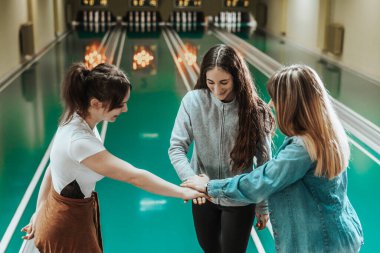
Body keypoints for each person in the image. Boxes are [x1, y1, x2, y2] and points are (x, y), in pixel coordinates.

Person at [21, 63, 204, 253]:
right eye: (120, 104)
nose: (125, 109)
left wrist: (40, 209)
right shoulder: (79, 141)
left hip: (64, 213)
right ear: (95, 103)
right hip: (66, 226)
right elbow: (135, 176)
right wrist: (182, 192)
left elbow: (53, 166)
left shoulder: (77, 116)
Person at [182, 64, 364, 252]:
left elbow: (261, 181)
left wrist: (209, 186)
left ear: (291, 104)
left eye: (276, 99)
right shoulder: (326, 132)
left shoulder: (303, 148)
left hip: (319, 243)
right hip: (340, 234)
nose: (270, 104)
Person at [168, 44, 275, 253]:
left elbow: (265, 162)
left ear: (237, 77)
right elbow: (176, 148)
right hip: (203, 196)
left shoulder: (256, 110)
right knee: (209, 249)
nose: (217, 90)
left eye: (224, 82)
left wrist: (263, 205)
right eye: (210, 82)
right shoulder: (192, 102)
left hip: (240, 196)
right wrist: (193, 183)